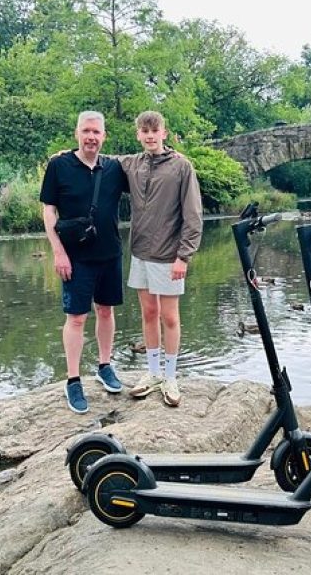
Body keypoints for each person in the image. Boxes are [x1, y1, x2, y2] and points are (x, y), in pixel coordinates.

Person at [40, 111, 128, 414]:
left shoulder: (115, 168)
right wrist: (58, 252)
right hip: (75, 258)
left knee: (106, 310)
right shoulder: (59, 165)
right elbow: (49, 211)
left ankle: (105, 365)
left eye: (97, 132)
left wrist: (169, 152)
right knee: (77, 318)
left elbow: (148, 169)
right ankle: (73, 380)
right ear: (77, 132)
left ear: (104, 136)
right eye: (86, 131)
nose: (91, 137)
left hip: (110, 252)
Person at [120, 111, 203, 407]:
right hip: (140, 253)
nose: (150, 135)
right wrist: (70, 152)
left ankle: (170, 377)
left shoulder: (182, 166)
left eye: (155, 130)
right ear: (138, 135)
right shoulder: (132, 164)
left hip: (169, 255)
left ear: (164, 133)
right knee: (148, 314)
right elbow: (98, 161)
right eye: (144, 131)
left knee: (169, 316)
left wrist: (184, 257)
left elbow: (193, 216)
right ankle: (152, 373)